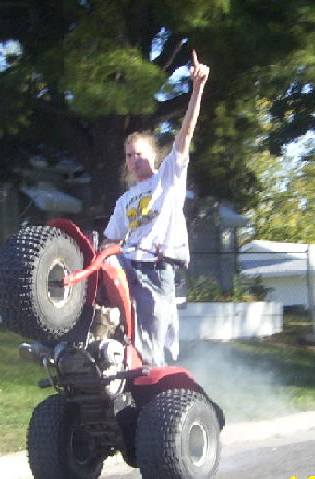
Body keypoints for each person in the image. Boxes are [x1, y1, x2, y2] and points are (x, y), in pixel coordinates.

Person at [102, 50, 209, 366]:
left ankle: (155, 378)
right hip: (128, 265)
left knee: (152, 343)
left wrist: (197, 88)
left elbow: (185, 133)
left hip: (156, 269)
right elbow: (110, 241)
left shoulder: (169, 177)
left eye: (139, 154)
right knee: (111, 318)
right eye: (129, 156)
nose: (134, 160)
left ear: (154, 155)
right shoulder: (125, 200)